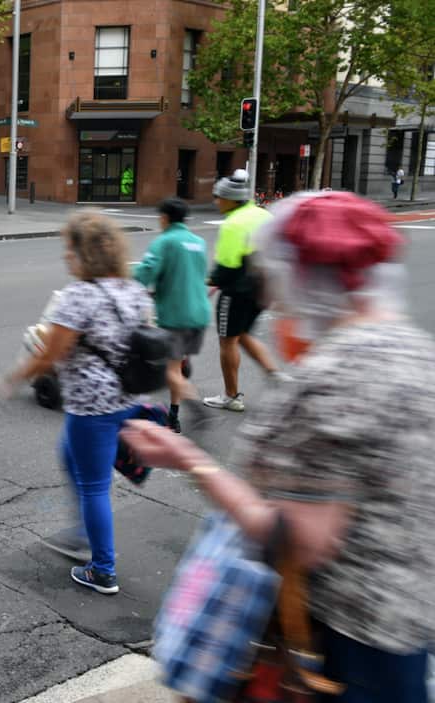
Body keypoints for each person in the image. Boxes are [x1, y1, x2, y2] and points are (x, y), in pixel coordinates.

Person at [122, 191, 434, 702]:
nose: (273, 297)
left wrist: (187, 458)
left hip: (342, 646)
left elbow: (298, 539)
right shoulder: (415, 349)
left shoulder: (332, 376)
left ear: (301, 276)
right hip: (408, 624)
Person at [0, 212, 151, 595]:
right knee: (70, 456)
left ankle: (102, 569)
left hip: (93, 407)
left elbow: (50, 354)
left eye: (70, 250)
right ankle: (82, 531)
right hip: (128, 398)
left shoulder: (78, 296)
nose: (66, 258)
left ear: (87, 254)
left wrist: (12, 378)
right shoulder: (131, 289)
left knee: (95, 486)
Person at [203, 170, 281, 412]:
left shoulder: (232, 224)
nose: (216, 201)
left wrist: (207, 282)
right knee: (243, 333)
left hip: (237, 291)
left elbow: (226, 268)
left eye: (219, 197)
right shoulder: (262, 214)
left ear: (230, 199)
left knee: (227, 341)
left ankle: (231, 396)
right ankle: (275, 374)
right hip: (263, 287)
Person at [133, 197, 210, 433]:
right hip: (199, 314)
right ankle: (173, 417)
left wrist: (127, 281)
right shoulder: (198, 242)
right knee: (177, 366)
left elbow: (145, 272)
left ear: (165, 218)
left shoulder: (164, 241)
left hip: (177, 316)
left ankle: (197, 408)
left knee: (171, 371)